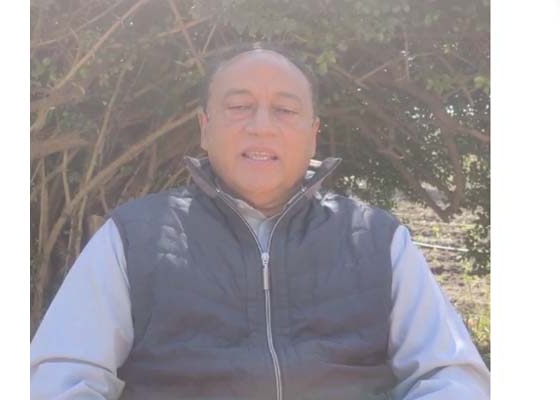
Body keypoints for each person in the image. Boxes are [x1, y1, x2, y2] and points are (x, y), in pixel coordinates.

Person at [30, 43, 490, 400]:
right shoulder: (134, 237)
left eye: (285, 110)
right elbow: (62, 378)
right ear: (205, 127)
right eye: (239, 106)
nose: (262, 126)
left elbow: (448, 374)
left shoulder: (376, 238)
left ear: (313, 134)